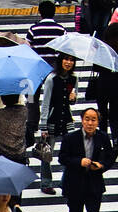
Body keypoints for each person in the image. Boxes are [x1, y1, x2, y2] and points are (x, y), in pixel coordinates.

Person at [60, 107, 116, 212]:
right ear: (82, 120)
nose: (90, 123)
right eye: (87, 119)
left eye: (93, 120)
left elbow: (110, 156)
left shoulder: (103, 137)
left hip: (94, 183)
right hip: (74, 183)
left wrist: (101, 165)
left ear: (98, 122)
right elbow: (62, 158)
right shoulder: (70, 138)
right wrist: (79, 161)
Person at [37, 53, 78, 194]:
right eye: (66, 59)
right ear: (60, 61)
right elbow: (45, 103)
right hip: (52, 118)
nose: (68, 62)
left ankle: (66, 180)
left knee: (71, 152)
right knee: (47, 153)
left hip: (67, 119)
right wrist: (43, 125)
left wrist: (73, 98)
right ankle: (46, 183)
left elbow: (72, 100)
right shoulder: (51, 79)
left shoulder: (74, 78)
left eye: (72, 60)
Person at [92, 23, 118, 149]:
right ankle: (116, 140)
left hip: (103, 83)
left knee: (102, 114)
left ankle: (103, 140)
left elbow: (96, 67)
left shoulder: (103, 48)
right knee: (115, 115)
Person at [27, 1, 67, 67]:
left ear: (40, 12)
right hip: (55, 66)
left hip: (39, 65)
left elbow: (28, 47)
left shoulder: (33, 29)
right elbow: (65, 48)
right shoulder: (60, 29)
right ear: (54, 12)